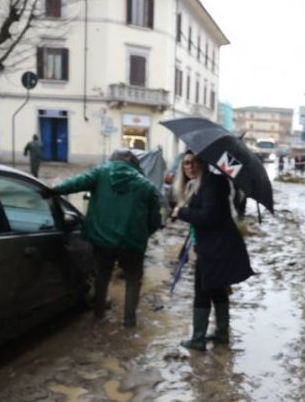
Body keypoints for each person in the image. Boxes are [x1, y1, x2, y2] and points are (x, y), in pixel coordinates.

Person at [52, 148, 161, 327]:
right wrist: (142, 233)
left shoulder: (100, 173)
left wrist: (53, 190)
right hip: (132, 244)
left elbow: (76, 183)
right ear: (134, 164)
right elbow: (155, 220)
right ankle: (129, 321)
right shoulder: (146, 185)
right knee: (133, 281)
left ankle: (99, 314)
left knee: (102, 276)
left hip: (102, 241)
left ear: (112, 160)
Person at [171, 149, 255, 350]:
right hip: (214, 245)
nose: (190, 167)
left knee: (202, 290)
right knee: (217, 287)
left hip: (217, 248)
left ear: (203, 163)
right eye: (186, 163)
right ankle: (221, 333)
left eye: (194, 162)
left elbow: (208, 217)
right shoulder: (201, 184)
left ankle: (198, 339)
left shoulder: (211, 184)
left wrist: (181, 212)